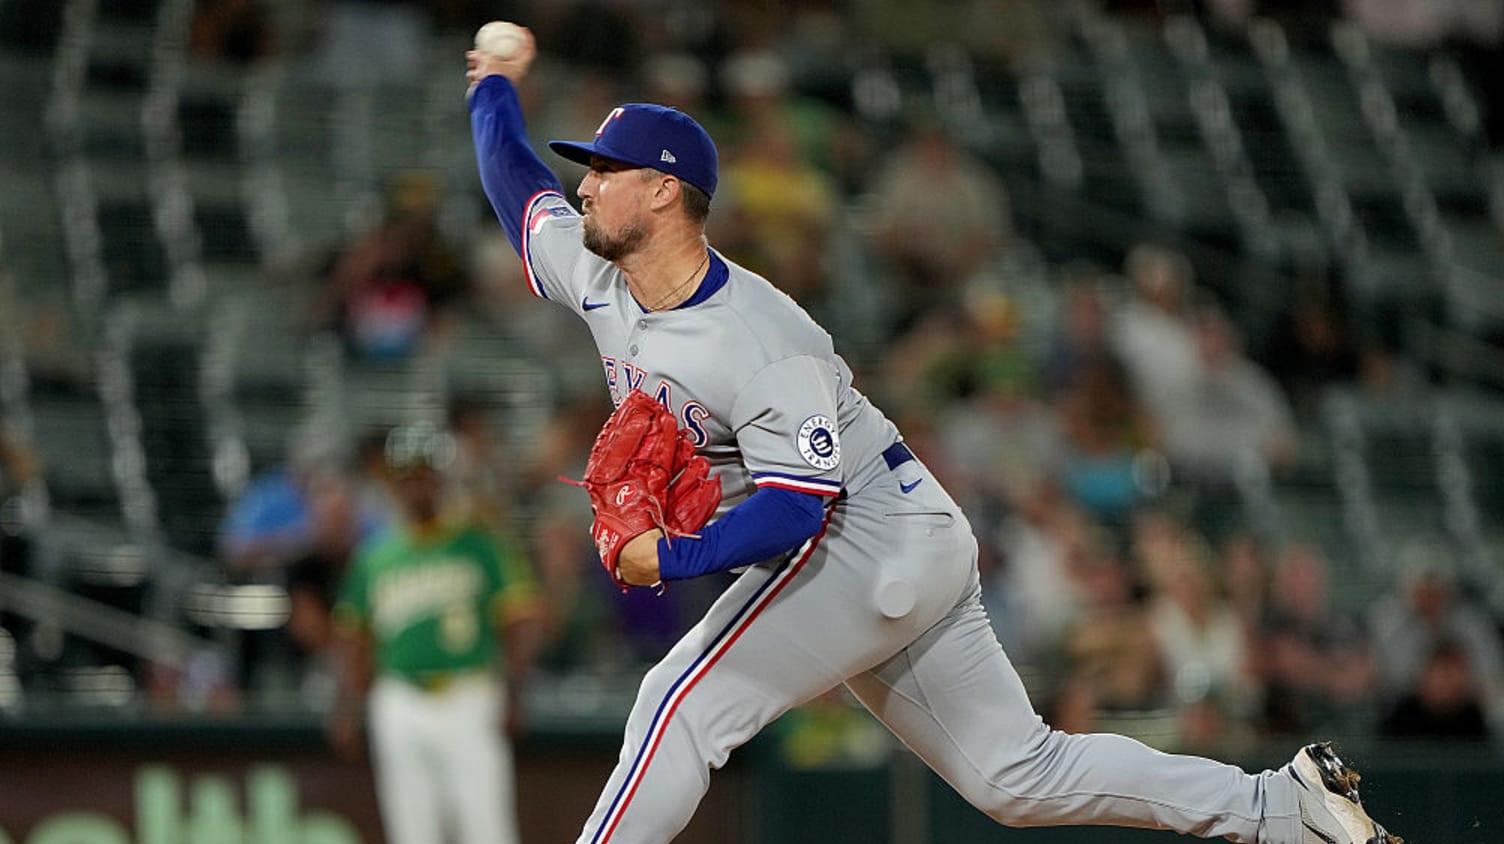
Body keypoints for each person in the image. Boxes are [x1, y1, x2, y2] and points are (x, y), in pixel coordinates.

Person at [465, 27, 1401, 844]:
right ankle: (1284, 809)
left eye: (606, 171)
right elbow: (520, 192)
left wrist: (670, 558)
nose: (585, 185)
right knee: (1018, 776)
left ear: (665, 193)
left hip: (865, 533)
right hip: (903, 536)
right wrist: (492, 87)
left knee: (677, 704)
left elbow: (797, 509)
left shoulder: (761, 338)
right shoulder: (603, 275)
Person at [329, 423, 544, 844]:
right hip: (399, 697)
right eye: (408, 478)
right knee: (412, 831)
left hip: (470, 692)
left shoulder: (480, 543)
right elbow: (352, 636)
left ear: (442, 480)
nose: (417, 487)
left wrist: (516, 686)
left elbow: (520, 617)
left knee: (487, 828)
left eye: (425, 476)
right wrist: (349, 703)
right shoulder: (375, 555)